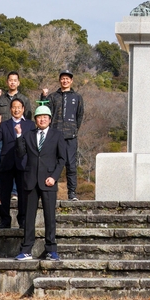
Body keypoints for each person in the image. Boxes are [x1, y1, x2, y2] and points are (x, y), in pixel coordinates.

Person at [14, 105, 67, 261]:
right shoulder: (28, 135)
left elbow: (62, 159)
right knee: (29, 216)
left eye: (45, 117)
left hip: (49, 180)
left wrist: (54, 176)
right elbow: (20, 153)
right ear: (35, 120)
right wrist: (18, 136)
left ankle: (51, 249)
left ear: (50, 119)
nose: (42, 119)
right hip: (30, 180)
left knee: (49, 216)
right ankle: (26, 250)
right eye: (39, 117)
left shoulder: (57, 135)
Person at [42, 70, 84, 201]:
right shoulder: (53, 96)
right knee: (51, 164)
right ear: (59, 80)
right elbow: (45, 111)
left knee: (71, 165)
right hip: (55, 135)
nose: (65, 81)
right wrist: (44, 96)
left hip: (70, 136)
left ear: (71, 81)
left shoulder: (77, 97)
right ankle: (50, 190)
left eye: (67, 79)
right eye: (62, 78)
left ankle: (72, 193)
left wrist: (74, 129)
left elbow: (80, 115)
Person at [0, 97, 29, 229]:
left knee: (23, 193)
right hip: (6, 163)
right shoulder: (4, 124)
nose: (16, 109)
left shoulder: (30, 125)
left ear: (23, 109)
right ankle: (4, 219)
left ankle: (23, 219)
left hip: (22, 163)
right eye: (14, 107)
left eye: (19, 107)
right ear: (10, 109)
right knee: (5, 193)